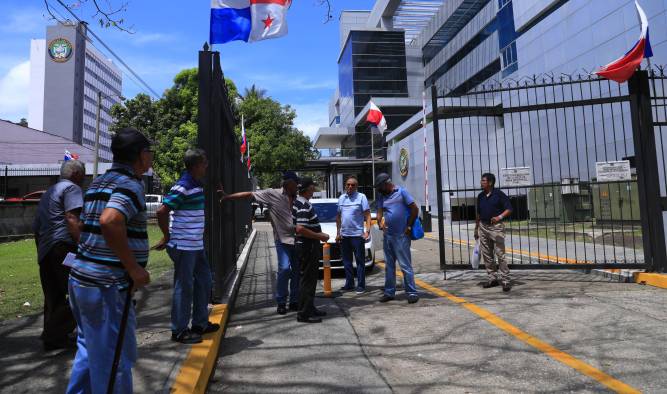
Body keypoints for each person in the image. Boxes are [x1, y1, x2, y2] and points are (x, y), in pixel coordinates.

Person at [66, 128, 152, 394]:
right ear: (140, 155)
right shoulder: (130, 184)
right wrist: (133, 268)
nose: (151, 158)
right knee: (115, 362)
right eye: (150, 152)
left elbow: (88, 224)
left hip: (82, 280)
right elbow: (110, 221)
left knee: (89, 350)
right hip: (106, 285)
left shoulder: (99, 182)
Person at [153, 148, 219, 344]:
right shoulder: (183, 186)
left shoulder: (195, 184)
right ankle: (179, 330)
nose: (207, 167)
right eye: (204, 163)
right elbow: (161, 211)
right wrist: (166, 236)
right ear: (196, 165)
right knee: (185, 287)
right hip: (183, 245)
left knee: (204, 281)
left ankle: (200, 323)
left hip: (195, 245)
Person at [219, 171, 299, 315]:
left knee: (296, 272)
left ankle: (294, 300)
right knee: (285, 269)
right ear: (288, 183)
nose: (297, 186)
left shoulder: (297, 198)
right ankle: (281, 301)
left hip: (298, 240)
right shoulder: (272, 194)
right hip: (282, 240)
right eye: (295, 183)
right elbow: (249, 194)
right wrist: (227, 196)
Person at [33, 159, 85, 351]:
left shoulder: (49, 192)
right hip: (63, 247)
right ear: (77, 174)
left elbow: (36, 227)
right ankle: (53, 333)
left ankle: (55, 338)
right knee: (78, 290)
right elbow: (72, 218)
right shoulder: (72, 189)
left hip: (46, 249)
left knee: (53, 294)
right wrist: (83, 245)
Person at [374, 173, 420, 304]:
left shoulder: (402, 192)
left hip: (401, 236)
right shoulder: (381, 195)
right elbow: (380, 210)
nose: (378, 190)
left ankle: (411, 292)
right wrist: (379, 221)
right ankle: (389, 292)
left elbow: (414, 209)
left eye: (379, 187)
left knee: (405, 265)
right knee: (389, 265)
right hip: (388, 235)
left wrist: (409, 227)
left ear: (386, 184)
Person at [292, 177, 329, 323]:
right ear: (307, 188)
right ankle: (303, 313)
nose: (314, 188)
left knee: (311, 279)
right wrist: (319, 235)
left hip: (308, 245)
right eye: (313, 186)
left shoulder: (303, 202)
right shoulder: (302, 204)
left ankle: (309, 307)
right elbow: (300, 229)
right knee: (307, 280)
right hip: (306, 245)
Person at [474, 173, 513, 292]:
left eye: (483, 181)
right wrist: (477, 228)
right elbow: (479, 214)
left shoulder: (499, 194)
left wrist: (499, 217)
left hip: (496, 227)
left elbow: (509, 209)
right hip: (483, 226)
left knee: (500, 254)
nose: (481, 182)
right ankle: (492, 278)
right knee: (487, 254)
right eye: (481, 180)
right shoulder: (480, 196)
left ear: (490, 183)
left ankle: (505, 280)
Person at [336, 175, 371, 294]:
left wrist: (367, 231)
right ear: (345, 186)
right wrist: (338, 233)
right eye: (348, 184)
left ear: (356, 187)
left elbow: (367, 215)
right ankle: (349, 284)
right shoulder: (341, 198)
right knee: (346, 262)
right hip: (345, 236)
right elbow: (338, 217)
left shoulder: (362, 197)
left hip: (357, 236)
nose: (350, 186)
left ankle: (361, 285)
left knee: (360, 262)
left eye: (353, 185)